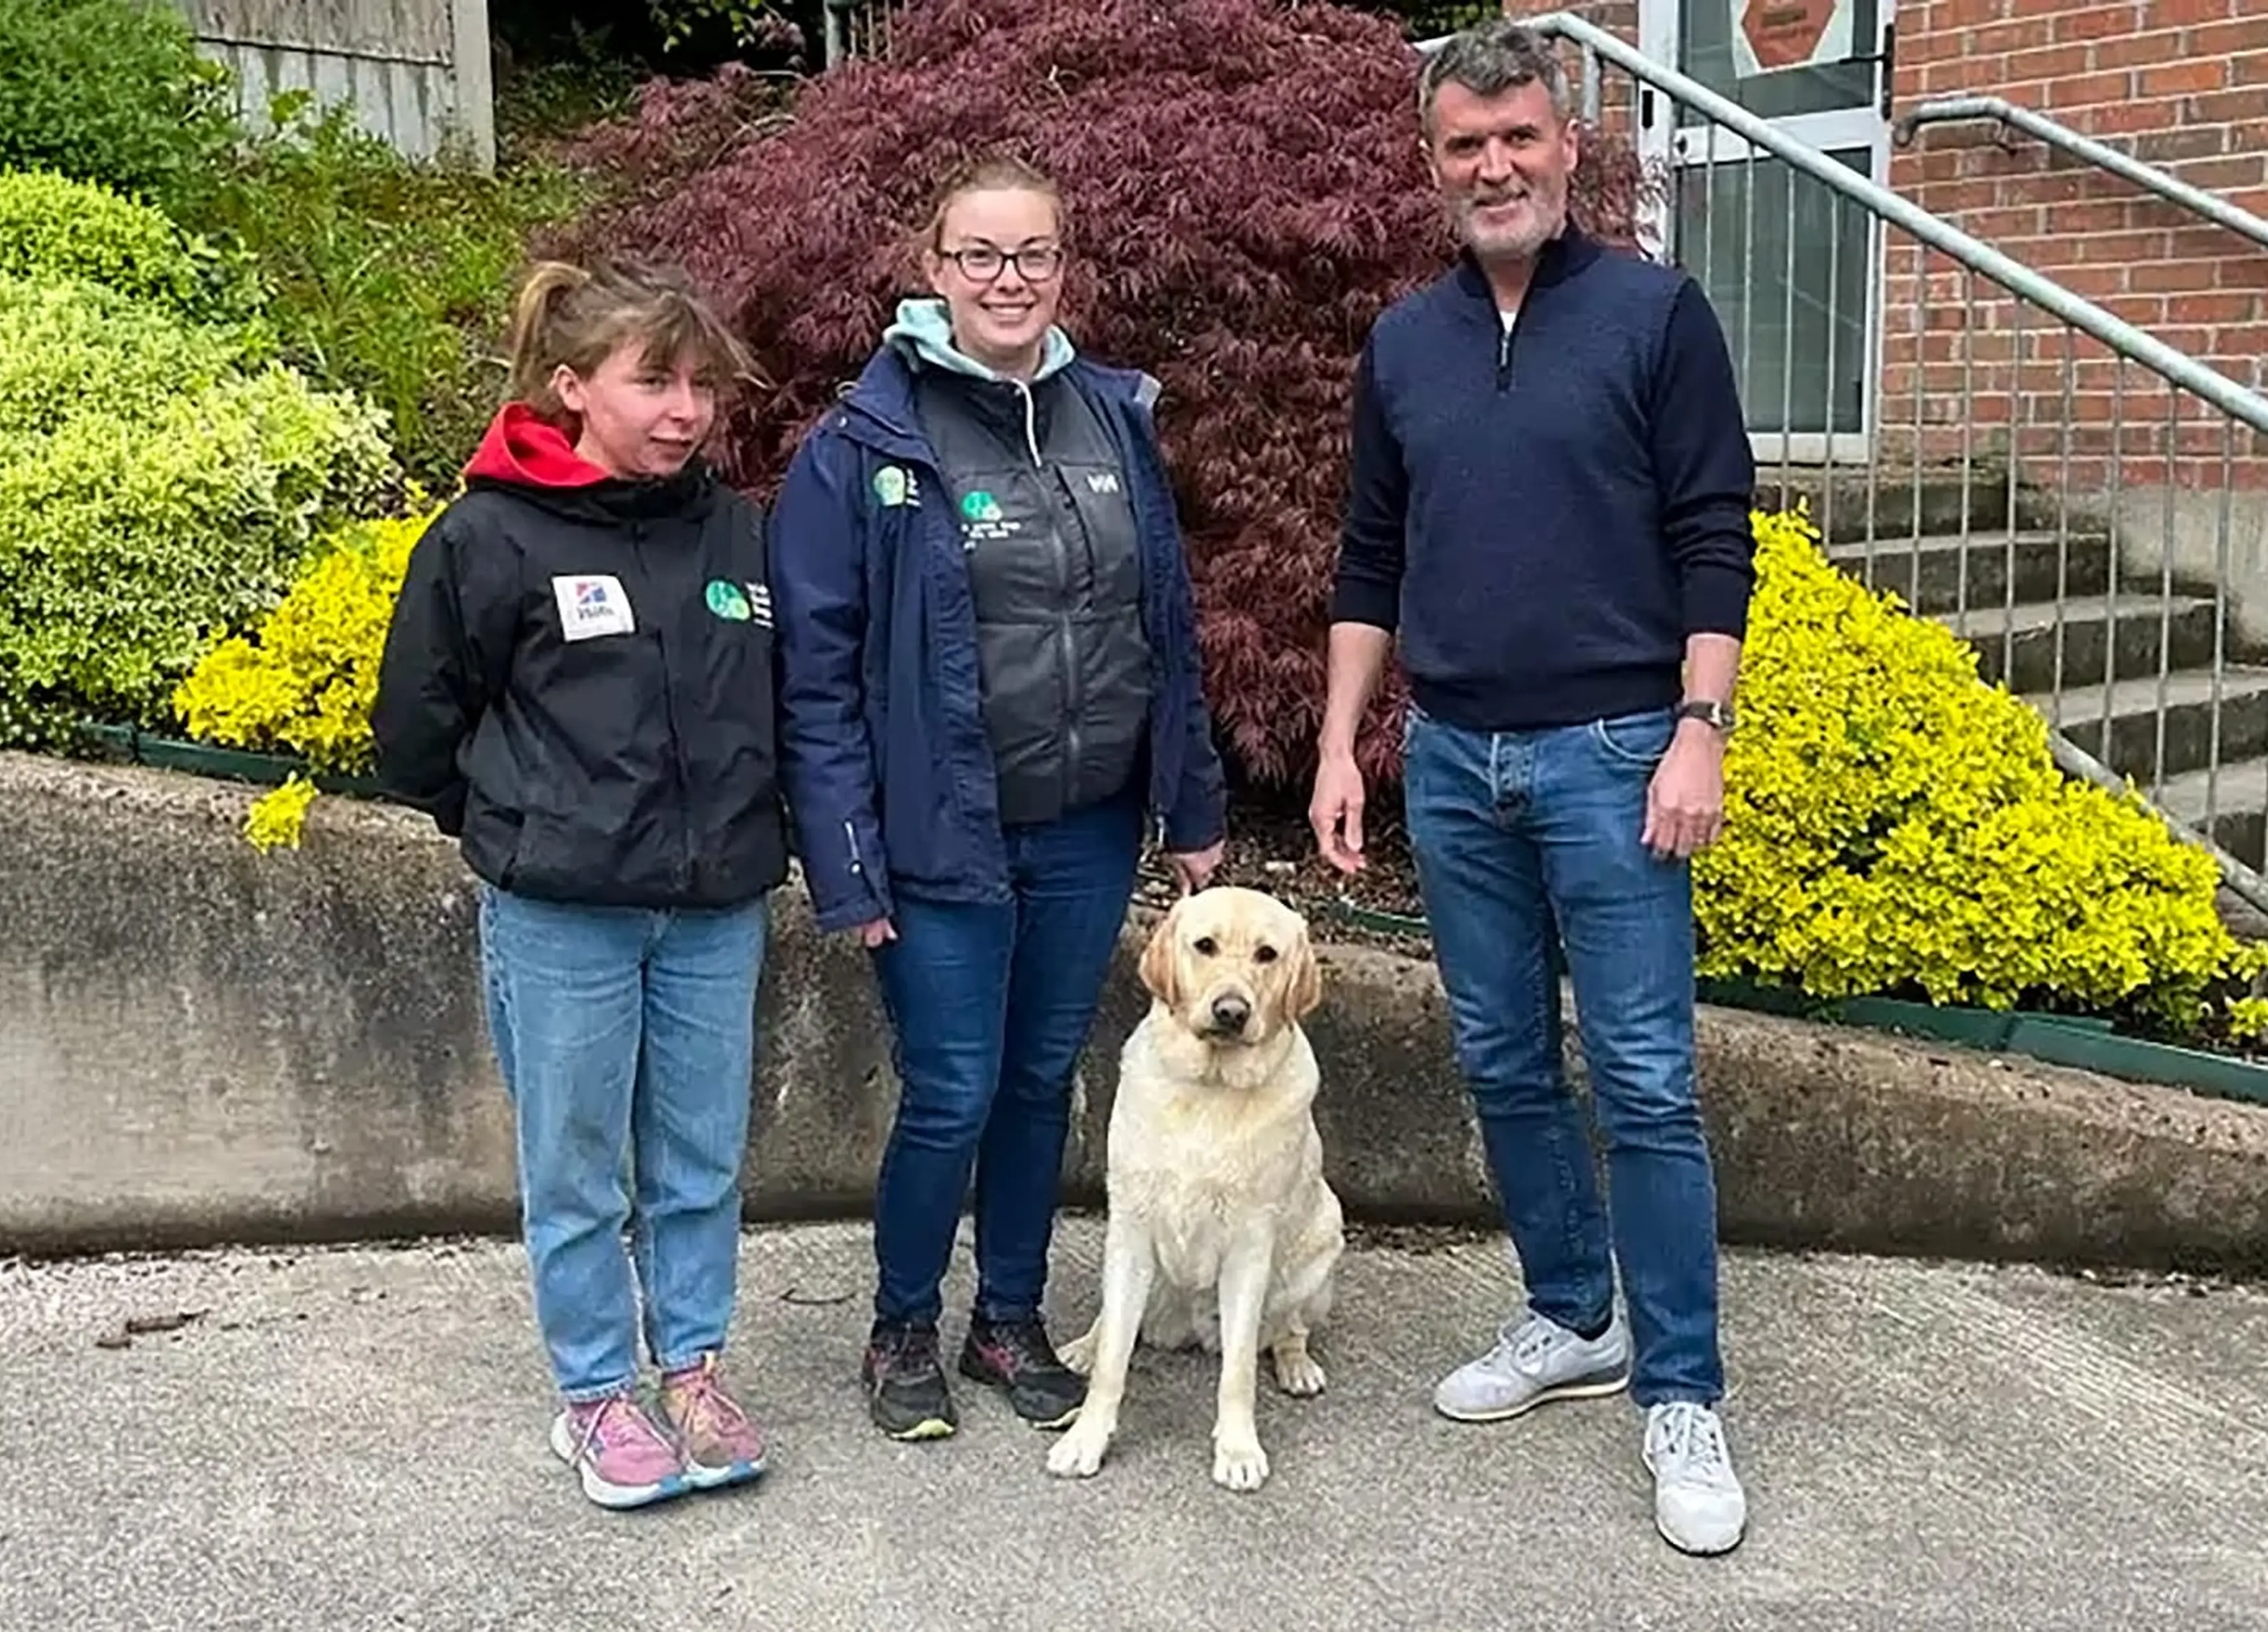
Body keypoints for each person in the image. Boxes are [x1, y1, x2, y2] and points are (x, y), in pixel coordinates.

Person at [1307, 21, 1756, 1557]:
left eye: (1518, 138)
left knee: (1642, 1083)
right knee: (1501, 1061)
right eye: (1463, 146)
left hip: (1620, 754)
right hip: (1452, 757)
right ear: (1434, 167)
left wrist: (1701, 724)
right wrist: (1336, 746)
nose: (1493, 166)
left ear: (1569, 148)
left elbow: (1715, 537)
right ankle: (1572, 1313)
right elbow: (1373, 555)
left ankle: (1681, 1389)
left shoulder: (1654, 316)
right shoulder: (1404, 345)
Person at [769, 153, 1229, 1444]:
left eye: (1033, 254)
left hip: (1087, 828)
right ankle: (903, 1325)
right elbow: (815, 679)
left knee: (1040, 1081)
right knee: (955, 1087)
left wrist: (1188, 806)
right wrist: (847, 867)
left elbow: (1168, 628)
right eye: (980, 255)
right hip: (939, 835)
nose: (1008, 279)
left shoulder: (1112, 419)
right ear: (934, 268)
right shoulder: (865, 445)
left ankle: (1008, 1321)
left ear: (1063, 268)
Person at [371, 256, 788, 1512]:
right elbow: (414, 727)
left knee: (702, 1156)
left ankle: (695, 1370)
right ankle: (597, 1394)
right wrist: (509, 826)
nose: (685, 410)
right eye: (653, 381)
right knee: (577, 1167)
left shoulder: (737, 531)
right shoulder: (489, 534)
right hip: (563, 915)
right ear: (571, 386)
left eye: (701, 385)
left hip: (715, 908)